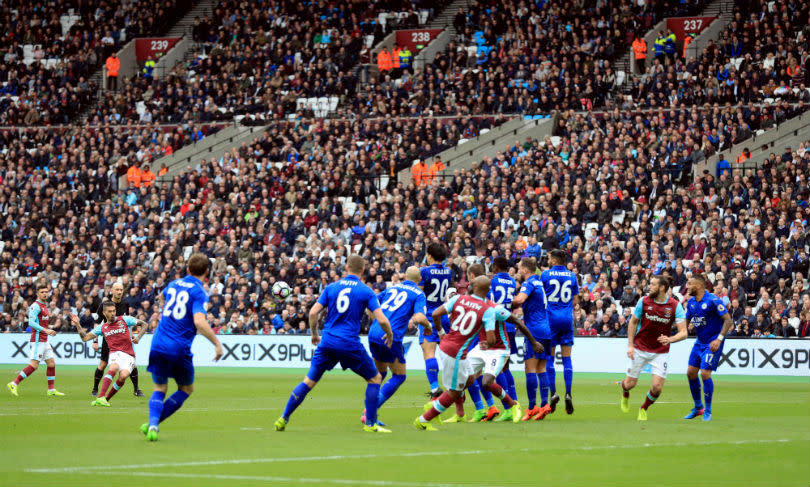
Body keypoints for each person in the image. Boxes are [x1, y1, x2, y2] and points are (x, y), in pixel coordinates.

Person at [275, 255, 393, 433]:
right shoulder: (366, 291)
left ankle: (283, 418)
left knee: (308, 381)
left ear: (346, 268)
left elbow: (313, 312)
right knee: (375, 378)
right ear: (362, 271)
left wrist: (315, 333)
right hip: (348, 343)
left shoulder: (331, 287)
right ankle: (370, 424)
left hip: (327, 341)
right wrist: (389, 334)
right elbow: (382, 319)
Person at [414, 276, 537, 431]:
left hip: (449, 346)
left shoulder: (458, 299)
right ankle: (425, 418)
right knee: (455, 392)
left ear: (474, 286)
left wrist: (440, 332)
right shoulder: (487, 310)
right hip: (457, 352)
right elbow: (491, 339)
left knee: (471, 380)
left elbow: (435, 314)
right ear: (487, 290)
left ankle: (442, 407)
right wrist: (488, 343)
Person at [141, 253, 224, 441]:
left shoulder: (173, 284)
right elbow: (200, 323)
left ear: (187, 269)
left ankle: (152, 423)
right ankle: (155, 423)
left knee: (159, 388)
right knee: (186, 389)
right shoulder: (199, 292)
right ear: (207, 272)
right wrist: (217, 344)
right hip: (178, 347)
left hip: (158, 341)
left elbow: (161, 297)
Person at [361, 266, 431, 426]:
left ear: (405, 276)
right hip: (390, 336)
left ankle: (369, 414)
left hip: (374, 333)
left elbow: (371, 303)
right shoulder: (419, 294)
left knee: (379, 374)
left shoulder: (392, 288)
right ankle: (369, 412)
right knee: (399, 375)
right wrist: (428, 326)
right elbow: (420, 317)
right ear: (420, 279)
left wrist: (375, 320)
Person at [619, 275, 687, 421]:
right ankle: (625, 392)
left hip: (660, 352)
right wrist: (630, 345)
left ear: (662, 288)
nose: (649, 286)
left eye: (653, 284)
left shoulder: (675, 306)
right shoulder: (643, 301)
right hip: (639, 348)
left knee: (657, 387)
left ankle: (644, 408)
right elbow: (633, 322)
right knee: (630, 384)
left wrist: (670, 339)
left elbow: (684, 332)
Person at [73, 302, 149, 406]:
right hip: (115, 353)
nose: (113, 313)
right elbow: (85, 338)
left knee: (123, 376)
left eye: (114, 311)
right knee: (113, 368)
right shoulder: (102, 327)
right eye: (110, 311)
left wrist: (138, 337)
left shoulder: (125, 319)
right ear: (104, 313)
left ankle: (106, 399)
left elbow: (145, 324)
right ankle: (100, 397)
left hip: (129, 355)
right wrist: (77, 324)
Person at [683, 274, 733, 422]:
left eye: (690, 283)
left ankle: (708, 411)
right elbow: (684, 323)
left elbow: (728, 321)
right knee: (691, 373)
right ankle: (698, 407)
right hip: (699, 342)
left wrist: (719, 339)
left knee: (705, 373)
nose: (687, 286)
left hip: (713, 342)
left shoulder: (713, 300)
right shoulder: (691, 302)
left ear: (698, 286)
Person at [511, 257, 553, 421]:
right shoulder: (540, 283)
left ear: (526, 270)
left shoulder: (529, 283)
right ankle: (544, 405)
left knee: (530, 369)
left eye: (519, 268)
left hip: (534, 331)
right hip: (546, 329)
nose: (518, 270)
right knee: (541, 368)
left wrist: (504, 303)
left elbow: (519, 300)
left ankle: (531, 407)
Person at [7, 282, 64, 397]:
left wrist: (48, 330)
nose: (45, 294)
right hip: (38, 340)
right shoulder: (36, 305)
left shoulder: (44, 305)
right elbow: (32, 323)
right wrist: (46, 330)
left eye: (46, 292)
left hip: (44, 339)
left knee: (51, 363)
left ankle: (51, 389)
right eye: (42, 292)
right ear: (37, 293)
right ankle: (14, 383)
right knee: (34, 365)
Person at [540, 249, 579, 415]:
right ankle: (568, 393)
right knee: (567, 358)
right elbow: (576, 300)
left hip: (550, 319)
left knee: (549, 358)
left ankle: (553, 393)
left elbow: (540, 297)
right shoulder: (572, 276)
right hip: (566, 319)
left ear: (554, 260)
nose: (548, 261)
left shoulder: (546, 275)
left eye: (549, 258)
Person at [92, 281, 144, 397]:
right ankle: (95, 389)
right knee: (103, 364)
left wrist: (131, 336)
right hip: (109, 339)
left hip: (124, 340)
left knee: (132, 364)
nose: (119, 292)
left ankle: (136, 389)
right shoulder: (104, 305)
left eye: (121, 290)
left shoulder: (125, 304)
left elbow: (127, 322)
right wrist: (95, 341)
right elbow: (97, 323)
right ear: (112, 291)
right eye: (117, 290)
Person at [419, 242, 454, 400]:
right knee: (449, 354)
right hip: (444, 316)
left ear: (430, 256)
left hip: (429, 316)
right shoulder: (448, 271)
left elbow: (419, 293)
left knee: (429, 353)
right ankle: (456, 388)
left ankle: (434, 389)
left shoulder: (424, 271)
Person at [488, 256, 521, 422]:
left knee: (499, 370)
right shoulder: (512, 282)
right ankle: (514, 404)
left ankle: (509, 407)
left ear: (495, 267)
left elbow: (490, 302)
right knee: (506, 368)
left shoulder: (493, 281)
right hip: (510, 325)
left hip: (498, 326)